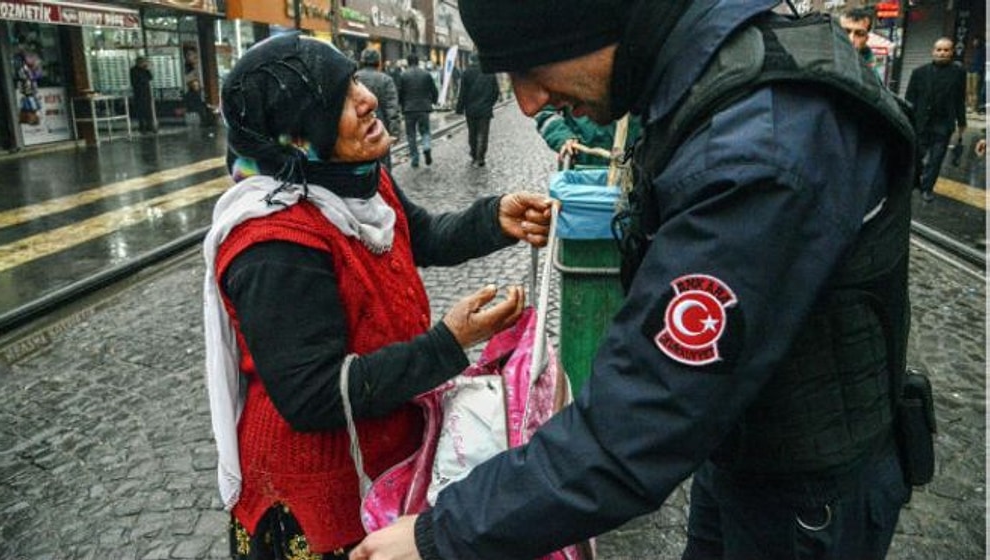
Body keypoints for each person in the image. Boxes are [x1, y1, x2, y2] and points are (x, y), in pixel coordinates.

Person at [352, 1, 918, 559]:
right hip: (746, 451)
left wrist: (442, 533)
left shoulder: (759, 147)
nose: (527, 104)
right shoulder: (713, 84)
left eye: (530, 69)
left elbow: (647, 414)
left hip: (800, 502)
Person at [203, 33, 553, 558]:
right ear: (298, 139)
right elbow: (314, 395)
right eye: (340, 98)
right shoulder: (274, 245)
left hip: (384, 461)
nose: (366, 98)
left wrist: (492, 219)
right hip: (318, 499)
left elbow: (422, 234)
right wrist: (449, 342)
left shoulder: (357, 179)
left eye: (354, 83)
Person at [906, 37, 967, 203]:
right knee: (916, 156)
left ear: (951, 53)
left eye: (946, 50)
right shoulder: (919, 72)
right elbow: (910, 99)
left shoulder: (959, 73)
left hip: (943, 125)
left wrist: (962, 123)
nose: (942, 53)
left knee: (936, 159)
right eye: (939, 50)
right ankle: (913, 183)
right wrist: (908, 120)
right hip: (921, 123)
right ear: (933, 51)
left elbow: (960, 99)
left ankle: (927, 188)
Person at [535, 104, 641, 168]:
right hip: (581, 165)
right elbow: (546, 112)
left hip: (634, 166)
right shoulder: (567, 69)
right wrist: (563, 137)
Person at [356, 48, 402, 169]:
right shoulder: (386, 80)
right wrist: (395, 132)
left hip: (357, 128)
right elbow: (392, 107)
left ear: (362, 61)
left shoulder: (354, 79)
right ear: (378, 62)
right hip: (380, 128)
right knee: (383, 166)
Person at [454, 56, 500, 167]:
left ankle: (474, 154)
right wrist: (490, 104)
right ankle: (480, 157)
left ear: (471, 61)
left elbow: (462, 93)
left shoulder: (466, 73)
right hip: (485, 109)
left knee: (472, 133)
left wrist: (459, 108)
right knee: (483, 134)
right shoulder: (490, 73)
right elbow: (496, 91)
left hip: (471, 110)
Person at [398, 52, 438, 168]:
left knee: (411, 135)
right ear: (417, 61)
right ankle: (426, 146)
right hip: (424, 108)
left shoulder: (403, 75)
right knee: (425, 131)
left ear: (408, 62)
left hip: (409, 109)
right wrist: (434, 101)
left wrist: (401, 105)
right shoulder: (426, 74)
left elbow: (400, 92)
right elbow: (433, 89)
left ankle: (415, 159)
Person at [839, 7, 879, 73]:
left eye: (860, 34)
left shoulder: (870, 73)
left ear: (866, 39)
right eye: (845, 31)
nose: (851, 39)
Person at [130, 56, 155, 134]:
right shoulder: (133, 70)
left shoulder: (145, 70)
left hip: (146, 93)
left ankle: (149, 126)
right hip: (139, 93)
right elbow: (137, 81)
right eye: (143, 62)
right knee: (141, 111)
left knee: (148, 110)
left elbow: (150, 77)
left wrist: (147, 69)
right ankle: (142, 127)